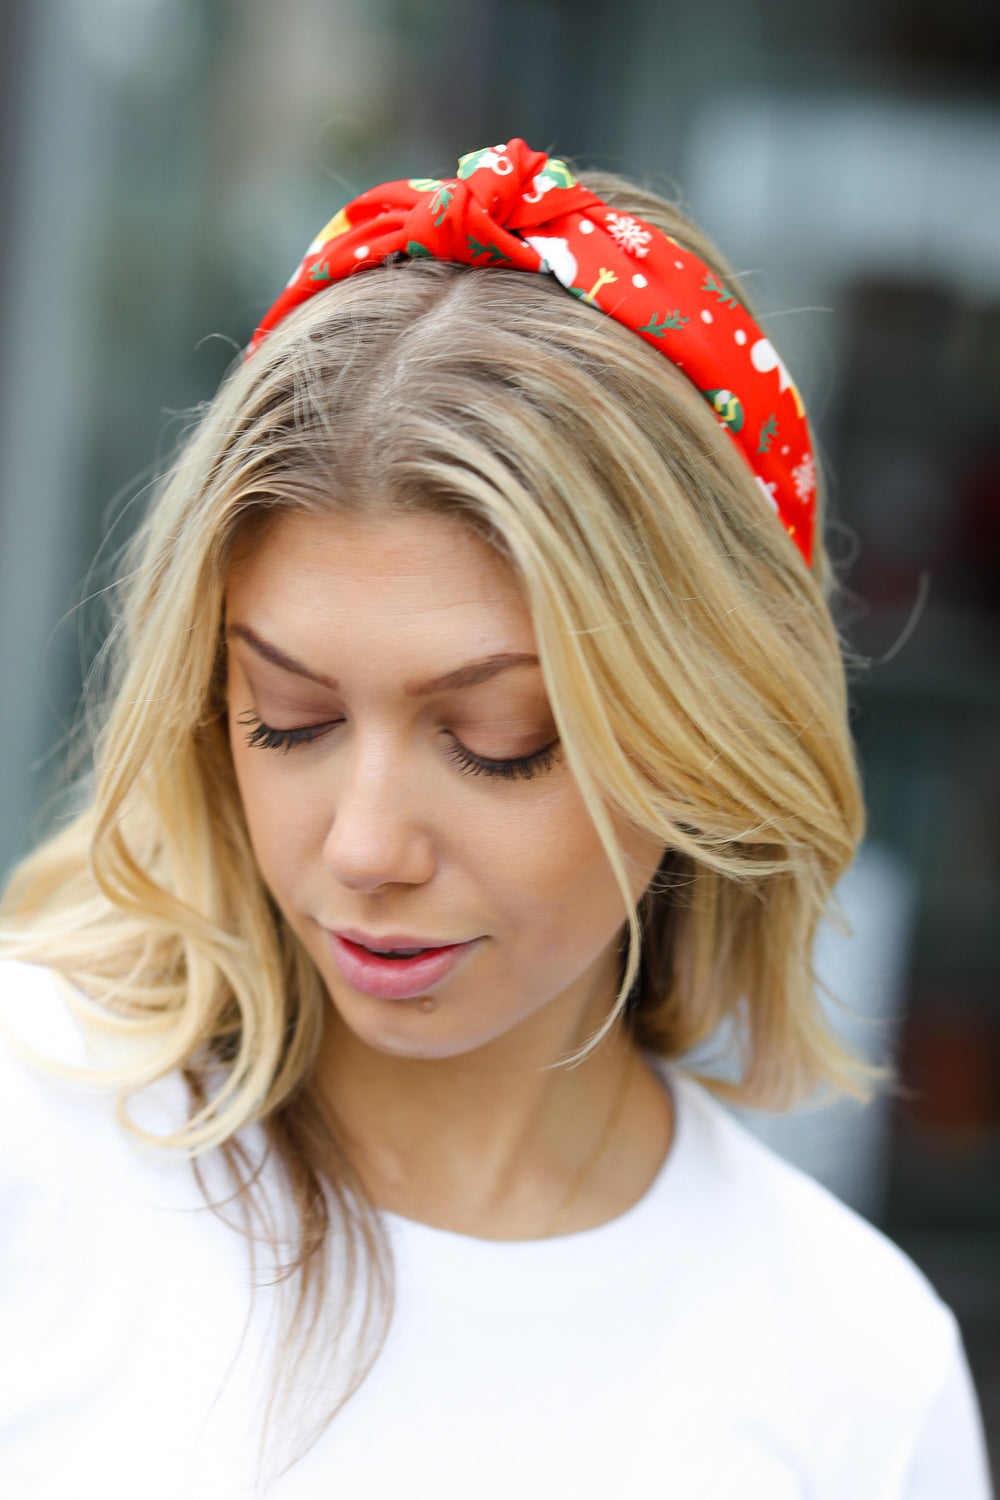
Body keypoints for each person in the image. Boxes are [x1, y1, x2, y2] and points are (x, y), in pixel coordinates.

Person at [0, 138, 992, 1499]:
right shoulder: (32, 1127)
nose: (361, 848)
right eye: (286, 717)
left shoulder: (855, 1374)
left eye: (496, 744)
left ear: (708, 737)